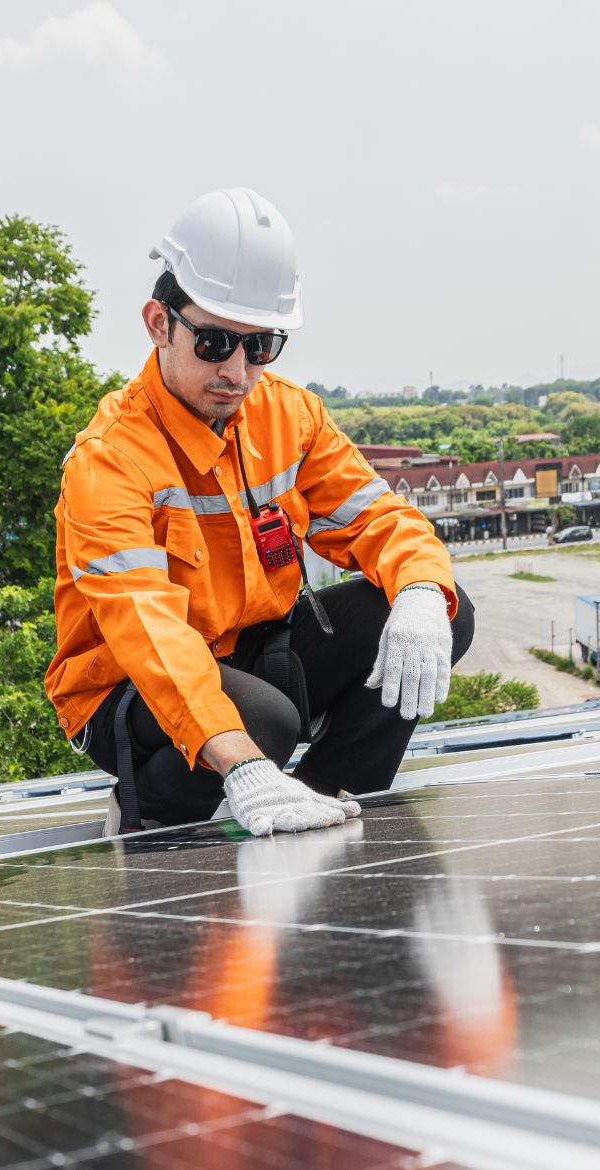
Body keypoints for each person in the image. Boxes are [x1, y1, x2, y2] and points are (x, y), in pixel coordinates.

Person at [47, 188, 474, 836]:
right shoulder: (109, 460)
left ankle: (322, 801)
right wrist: (243, 763)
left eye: (262, 345)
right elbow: (148, 631)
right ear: (159, 323)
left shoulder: (289, 416)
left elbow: (379, 521)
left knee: (444, 609)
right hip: (125, 686)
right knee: (262, 721)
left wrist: (419, 589)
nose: (238, 372)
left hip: (253, 649)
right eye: (215, 342)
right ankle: (157, 822)